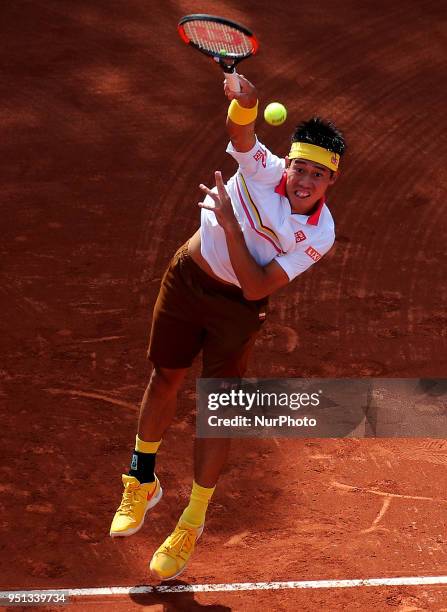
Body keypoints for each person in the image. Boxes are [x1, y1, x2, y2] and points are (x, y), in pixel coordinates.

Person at [110, 74, 346, 581]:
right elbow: (243, 134)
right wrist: (248, 101)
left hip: (237, 308)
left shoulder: (320, 232)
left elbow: (258, 287)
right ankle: (141, 478)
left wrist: (233, 226)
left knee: (219, 408)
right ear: (290, 164)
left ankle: (192, 518)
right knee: (165, 377)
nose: (302, 181)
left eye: (315, 176)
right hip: (187, 279)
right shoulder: (265, 170)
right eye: (298, 168)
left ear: (332, 181)